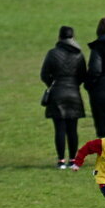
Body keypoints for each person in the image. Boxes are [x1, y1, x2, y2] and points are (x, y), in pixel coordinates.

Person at [41, 26, 87, 169]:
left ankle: (61, 160)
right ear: (72, 37)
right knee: (72, 129)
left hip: (57, 94)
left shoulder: (53, 53)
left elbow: (44, 74)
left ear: (59, 37)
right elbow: (83, 75)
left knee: (59, 129)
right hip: (74, 93)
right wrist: (74, 84)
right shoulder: (79, 54)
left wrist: (53, 84)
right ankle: (73, 159)